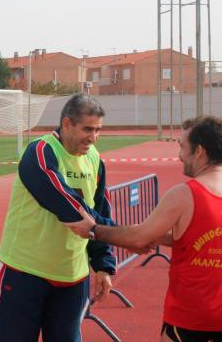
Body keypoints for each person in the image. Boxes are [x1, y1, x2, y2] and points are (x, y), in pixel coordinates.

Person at [65, 115, 222, 342]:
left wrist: (93, 230)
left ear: (199, 152)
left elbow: (138, 238)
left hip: (191, 318)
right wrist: (158, 237)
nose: (179, 156)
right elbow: (198, 235)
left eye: (182, 147)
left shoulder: (185, 194)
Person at [0, 93, 117, 342]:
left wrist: (103, 265)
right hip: (25, 271)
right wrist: (126, 233)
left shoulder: (95, 159)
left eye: (98, 130)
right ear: (67, 124)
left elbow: (100, 208)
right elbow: (67, 206)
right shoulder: (40, 152)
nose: (93, 138)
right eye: (87, 129)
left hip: (73, 276)